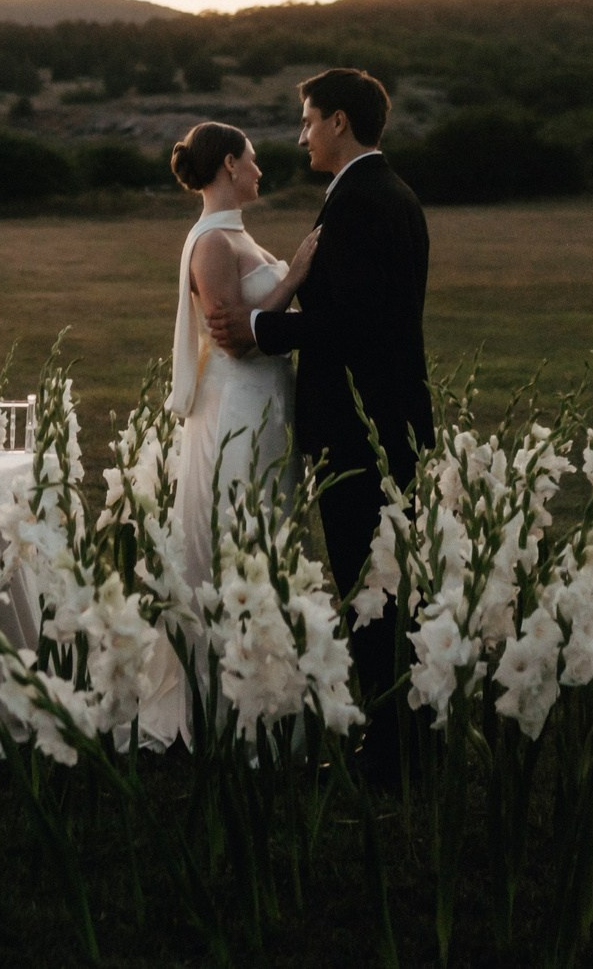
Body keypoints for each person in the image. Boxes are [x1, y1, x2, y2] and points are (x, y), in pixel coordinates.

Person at [207, 67, 433, 775]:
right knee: (387, 582)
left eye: (308, 120)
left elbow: (357, 321)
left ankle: (392, 748)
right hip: (388, 415)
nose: (301, 135)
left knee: (370, 585)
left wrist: (262, 329)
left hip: (361, 424)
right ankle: (409, 728)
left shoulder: (361, 202)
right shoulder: (385, 192)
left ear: (339, 121)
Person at [141, 120, 319, 747]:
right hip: (238, 407)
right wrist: (295, 274)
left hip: (267, 403)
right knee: (240, 534)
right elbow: (235, 340)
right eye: (251, 160)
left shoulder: (234, 234)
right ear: (225, 166)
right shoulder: (212, 243)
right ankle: (228, 708)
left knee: (268, 534)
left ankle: (269, 694)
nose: (259, 170)